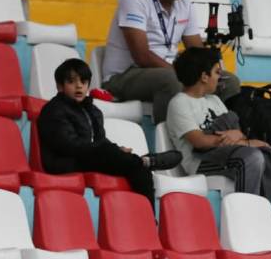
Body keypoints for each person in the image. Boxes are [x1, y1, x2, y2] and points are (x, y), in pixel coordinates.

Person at [101, 0, 242, 122]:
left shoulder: (185, 5)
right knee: (171, 80)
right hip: (124, 76)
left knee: (228, 81)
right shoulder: (135, 1)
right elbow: (142, 56)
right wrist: (183, 73)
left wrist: (212, 69)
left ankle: (219, 131)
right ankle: (170, 133)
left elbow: (196, 50)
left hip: (168, 70)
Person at [166, 46, 271, 201]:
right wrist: (246, 143)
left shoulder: (214, 100)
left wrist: (242, 139)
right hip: (203, 161)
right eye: (217, 72)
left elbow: (237, 134)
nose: (219, 77)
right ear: (204, 77)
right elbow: (199, 141)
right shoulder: (179, 103)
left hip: (232, 152)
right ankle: (249, 213)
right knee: (252, 158)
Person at [36, 57, 181, 206]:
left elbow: (99, 141)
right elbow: (68, 145)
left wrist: (116, 150)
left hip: (88, 158)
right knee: (109, 152)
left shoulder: (93, 110)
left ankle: (148, 216)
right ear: (60, 86)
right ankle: (145, 160)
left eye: (83, 82)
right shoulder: (54, 110)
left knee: (140, 171)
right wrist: (106, 150)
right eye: (71, 82)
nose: (79, 86)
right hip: (65, 163)